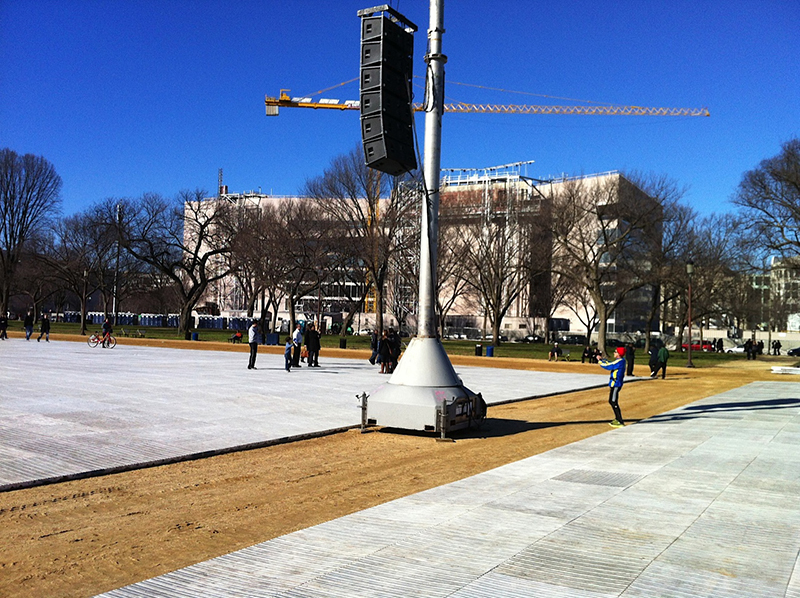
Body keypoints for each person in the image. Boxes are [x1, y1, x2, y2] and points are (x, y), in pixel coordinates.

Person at [598, 346, 627, 427]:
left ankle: (619, 420)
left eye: (615, 352)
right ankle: (617, 418)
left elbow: (609, 366)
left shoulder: (620, 362)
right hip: (614, 384)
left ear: (619, 354)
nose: (614, 353)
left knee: (613, 401)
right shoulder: (619, 361)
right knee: (611, 401)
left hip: (616, 384)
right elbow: (610, 363)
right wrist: (602, 360)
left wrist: (600, 362)